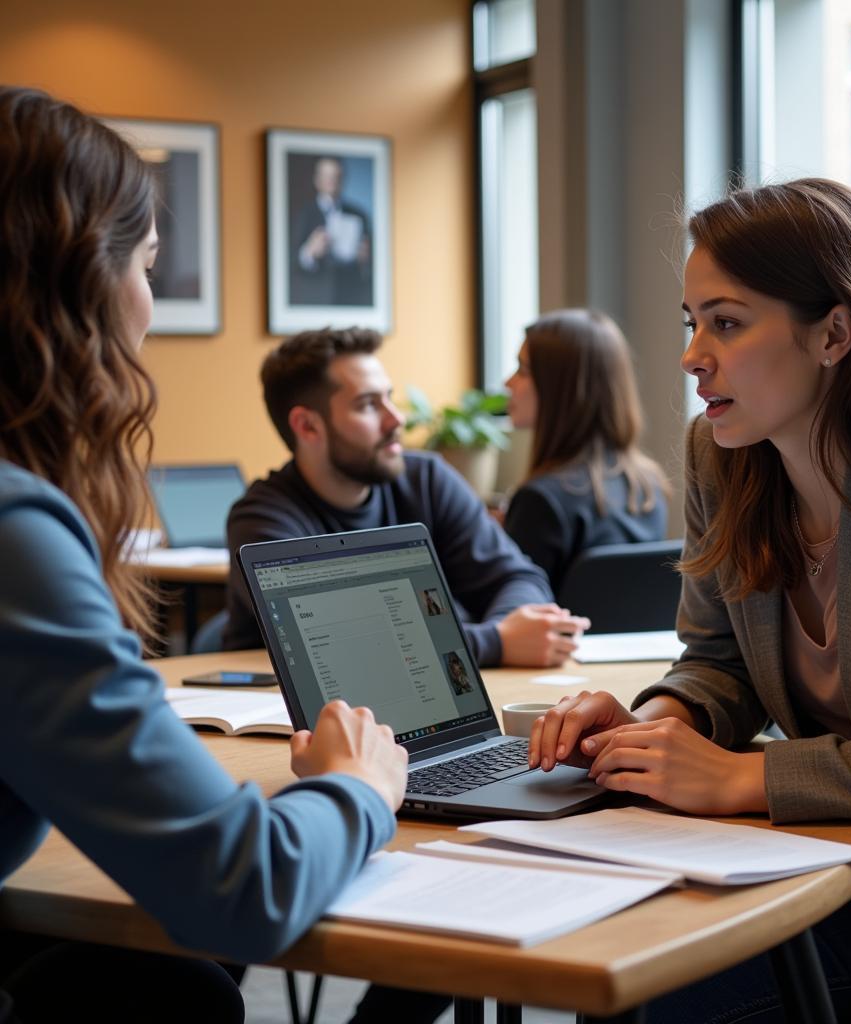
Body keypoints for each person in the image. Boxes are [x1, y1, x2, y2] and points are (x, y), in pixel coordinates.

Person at [529, 179, 851, 1023]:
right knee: (637, 991)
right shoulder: (724, 456)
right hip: (835, 872)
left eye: (726, 321)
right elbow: (717, 662)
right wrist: (657, 724)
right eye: (692, 324)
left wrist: (742, 776)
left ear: (834, 332)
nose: (691, 356)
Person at [0, 86, 408, 1023]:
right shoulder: (16, 533)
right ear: (78, 286)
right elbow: (241, 886)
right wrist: (360, 789)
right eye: (146, 265)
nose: (147, 306)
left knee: (168, 989)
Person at [224, 327, 590, 667]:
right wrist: (496, 641)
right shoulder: (263, 522)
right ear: (307, 426)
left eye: (389, 397)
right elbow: (341, 648)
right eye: (368, 404)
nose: (395, 418)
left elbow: (518, 578)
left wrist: (510, 631)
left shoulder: (427, 479)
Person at [503, 308, 669, 594]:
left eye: (523, 370)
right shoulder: (647, 485)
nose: (509, 383)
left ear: (559, 388)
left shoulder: (541, 501)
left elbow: (514, 609)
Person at [291, 156, 373, 307]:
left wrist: (365, 260)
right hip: (315, 300)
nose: (332, 181)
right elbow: (290, 263)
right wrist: (309, 252)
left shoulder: (359, 215)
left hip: (350, 298)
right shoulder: (303, 214)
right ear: (317, 180)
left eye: (337, 177)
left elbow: (372, 269)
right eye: (328, 177)